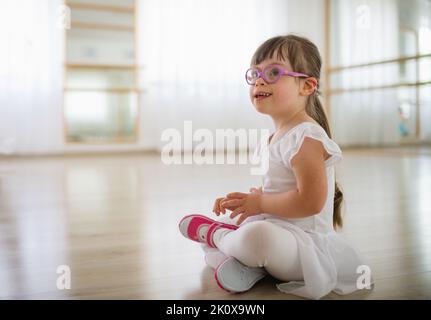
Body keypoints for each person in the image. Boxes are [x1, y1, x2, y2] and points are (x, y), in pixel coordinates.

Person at [179, 34, 369, 299]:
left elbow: (311, 202)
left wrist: (261, 204)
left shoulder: (307, 137)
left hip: (303, 246)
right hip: (278, 228)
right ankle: (244, 263)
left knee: (258, 237)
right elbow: (278, 188)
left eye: (273, 72)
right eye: (254, 73)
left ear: (307, 86)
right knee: (238, 224)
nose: (259, 80)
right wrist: (250, 201)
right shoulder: (271, 139)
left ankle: (219, 238)